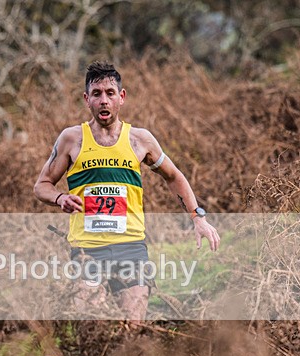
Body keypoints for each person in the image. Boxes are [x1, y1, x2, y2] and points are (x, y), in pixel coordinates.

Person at [33, 61, 220, 322]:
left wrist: (197, 216)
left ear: (121, 97)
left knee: (132, 329)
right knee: (90, 325)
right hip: (88, 249)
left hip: (130, 248)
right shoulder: (71, 139)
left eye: (110, 93)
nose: (104, 101)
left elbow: (174, 176)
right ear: (87, 100)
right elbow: (41, 185)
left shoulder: (140, 140)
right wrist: (60, 197)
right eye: (96, 94)